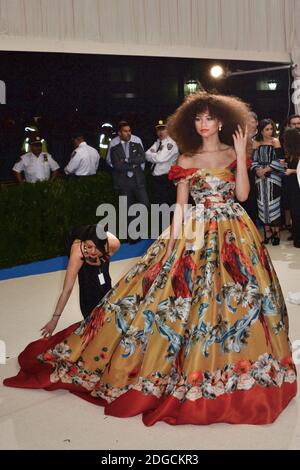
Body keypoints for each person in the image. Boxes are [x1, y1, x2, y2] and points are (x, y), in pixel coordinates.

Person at [4, 92, 297, 426]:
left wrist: (243, 152)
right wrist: (172, 244)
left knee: (242, 300)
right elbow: (181, 207)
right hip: (195, 230)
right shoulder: (185, 158)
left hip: (234, 230)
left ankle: (234, 363)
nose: (203, 125)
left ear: (221, 121)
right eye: (197, 119)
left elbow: (243, 196)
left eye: (208, 118)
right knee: (182, 298)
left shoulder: (233, 153)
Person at [40, 224, 120, 337]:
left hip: (101, 249)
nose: (92, 251)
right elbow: (67, 290)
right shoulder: (77, 252)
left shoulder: (112, 244)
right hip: (76, 243)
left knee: (105, 282)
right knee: (87, 285)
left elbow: (111, 251)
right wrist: (54, 320)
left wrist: (101, 261)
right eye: (89, 246)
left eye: (96, 247)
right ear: (85, 243)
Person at [109, 121, 149, 243]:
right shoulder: (114, 148)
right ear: (119, 133)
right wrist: (133, 165)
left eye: (129, 131)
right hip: (124, 182)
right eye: (125, 131)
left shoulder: (136, 145)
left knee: (145, 205)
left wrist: (127, 160)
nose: (128, 133)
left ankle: (139, 229)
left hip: (138, 181)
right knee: (127, 209)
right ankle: (132, 236)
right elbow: (116, 165)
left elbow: (142, 158)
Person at [252, 119, 285, 245]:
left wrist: (266, 169)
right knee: (261, 203)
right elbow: (254, 160)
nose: (270, 132)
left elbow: (280, 160)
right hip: (260, 178)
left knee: (274, 202)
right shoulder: (256, 142)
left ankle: (276, 232)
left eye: (271, 129)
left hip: (274, 177)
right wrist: (257, 170)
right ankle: (267, 232)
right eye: (267, 129)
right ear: (261, 130)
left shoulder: (275, 141)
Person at [145, 119, 178, 208]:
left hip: (166, 179)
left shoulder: (170, 144)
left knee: (165, 205)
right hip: (156, 179)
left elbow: (160, 158)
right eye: (158, 130)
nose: (160, 132)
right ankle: (159, 221)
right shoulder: (158, 143)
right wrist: (155, 155)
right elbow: (146, 155)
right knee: (157, 203)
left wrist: (153, 155)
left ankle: (165, 221)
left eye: (163, 129)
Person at [283, 128, 300, 248]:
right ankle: (296, 237)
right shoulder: (290, 152)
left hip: (296, 183)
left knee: (296, 212)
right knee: (295, 212)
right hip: (293, 184)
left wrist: (292, 171)